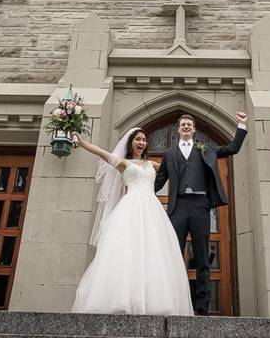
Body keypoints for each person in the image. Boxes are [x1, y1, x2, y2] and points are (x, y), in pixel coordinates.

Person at [70, 127, 193, 315]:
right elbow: (102, 153)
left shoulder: (153, 164)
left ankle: (154, 302)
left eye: (144, 140)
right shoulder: (124, 164)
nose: (141, 143)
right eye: (138, 139)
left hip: (152, 208)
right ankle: (123, 300)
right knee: (127, 251)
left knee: (153, 252)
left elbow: (177, 168)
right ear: (131, 143)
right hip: (130, 207)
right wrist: (81, 142)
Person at [154, 112, 248, 315]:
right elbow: (159, 181)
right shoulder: (168, 154)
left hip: (200, 206)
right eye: (183, 125)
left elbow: (232, 148)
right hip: (177, 207)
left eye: (189, 124)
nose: (186, 127)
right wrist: (140, 189)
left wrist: (241, 125)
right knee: (173, 255)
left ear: (194, 129)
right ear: (178, 130)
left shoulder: (206, 149)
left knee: (203, 257)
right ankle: (171, 302)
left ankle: (202, 307)